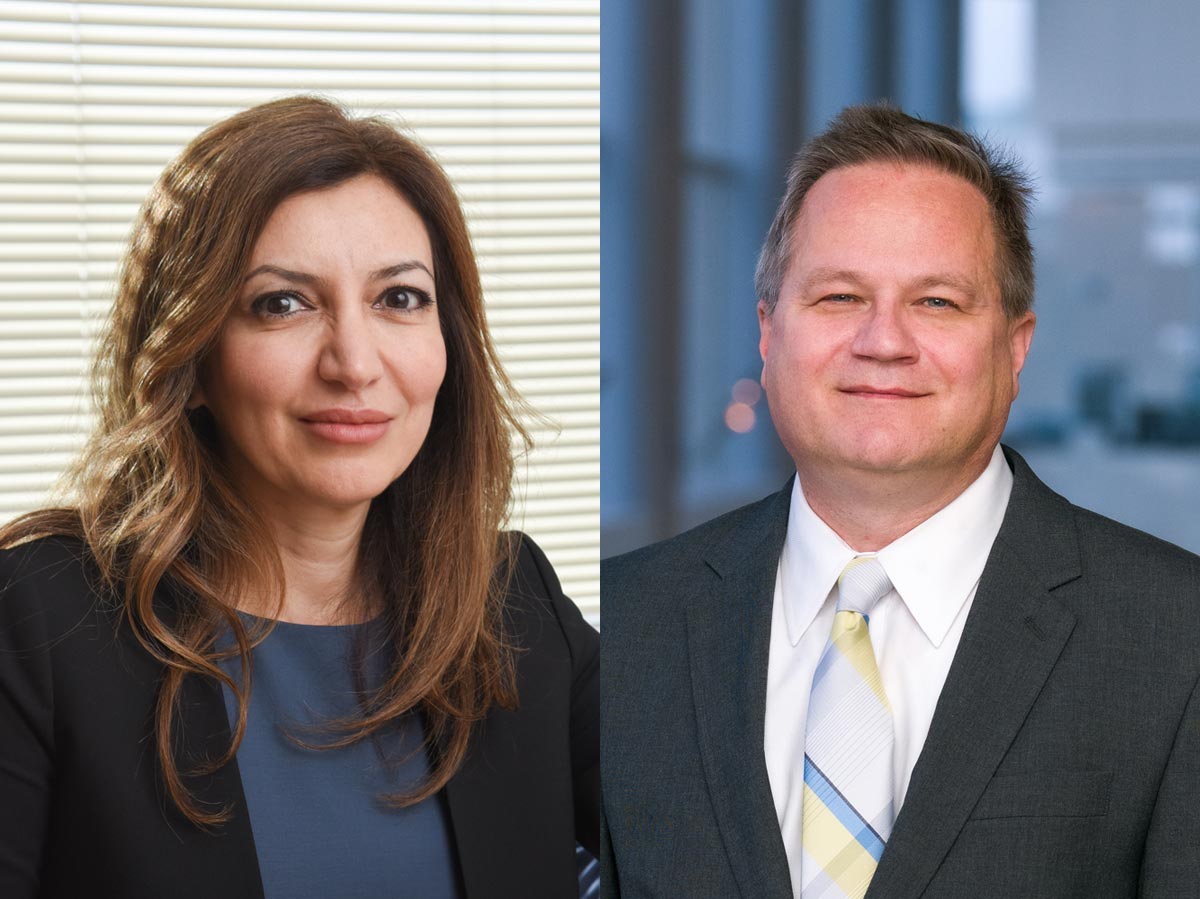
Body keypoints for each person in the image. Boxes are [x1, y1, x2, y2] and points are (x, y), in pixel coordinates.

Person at [0, 96, 598, 899]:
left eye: (399, 298)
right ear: (193, 355)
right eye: (282, 303)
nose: (354, 362)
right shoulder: (40, 618)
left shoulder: (510, 598)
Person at [600, 104, 1200, 898]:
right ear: (769, 332)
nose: (883, 341)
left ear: (1015, 346)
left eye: (937, 302)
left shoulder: (1177, 637)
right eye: (839, 296)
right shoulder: (621, 626)